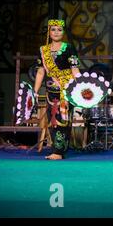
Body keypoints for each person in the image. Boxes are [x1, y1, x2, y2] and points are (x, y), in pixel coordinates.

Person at [34, 19, 80, 160]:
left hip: (66, 90)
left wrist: (81, 88)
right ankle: (57, 149)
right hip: (51, 92)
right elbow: (41, 72)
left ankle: (59, 152)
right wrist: (35, 91)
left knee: (63, 120)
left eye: (59, 30)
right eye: (53, 29)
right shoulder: (43, 50)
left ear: (63, 32)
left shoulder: (69, 48)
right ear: (49, 32)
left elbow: (74, 69)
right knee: (52, 120)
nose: (56, 32)